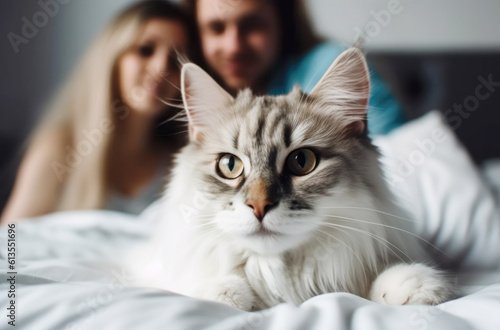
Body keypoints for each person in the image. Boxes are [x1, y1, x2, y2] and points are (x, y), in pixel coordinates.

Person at [0, 1, 192, 224]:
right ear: (112, 58)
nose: (160, 68)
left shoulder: (177, 160)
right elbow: (9, 238)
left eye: (175, 59)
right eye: (145, 50)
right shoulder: (58, 149)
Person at [182, 0, 406, 135]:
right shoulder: (196, 92)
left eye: (252, 26)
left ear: (283, 23)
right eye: (216, 28)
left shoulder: (327, 65)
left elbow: (391, 149)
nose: (233, 47)